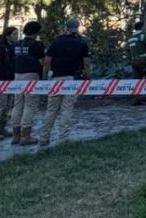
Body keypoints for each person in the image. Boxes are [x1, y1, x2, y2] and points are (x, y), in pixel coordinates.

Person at [39, 18, 91, 147]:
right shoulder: (82, 43)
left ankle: (44, 138)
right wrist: (88, 79)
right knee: (66, 109)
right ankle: (63, 139)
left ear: (66, 27)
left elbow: (47, 61)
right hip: (72, 79)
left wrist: (44, 77)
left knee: (51, 110)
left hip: (56, 79)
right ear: (78, 27)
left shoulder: (56, 41)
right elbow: (87, 64)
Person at [9, 21, 46, 146]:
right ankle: (26, 135)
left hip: (17, 75)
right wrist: (44, 76)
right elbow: (43, 62)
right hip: (31, 76)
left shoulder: (17, 44)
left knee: (17, 105)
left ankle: (15, 135)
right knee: (30, 105)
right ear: (36, 32)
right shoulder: (37, 45)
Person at [127, 21, 146, 105]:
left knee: (136, 79)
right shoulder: (143, 35)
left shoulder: (131, 37)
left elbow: (128, 49)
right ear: (142, 27)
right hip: (144, 60)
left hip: (134, 60)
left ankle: (136, 98)